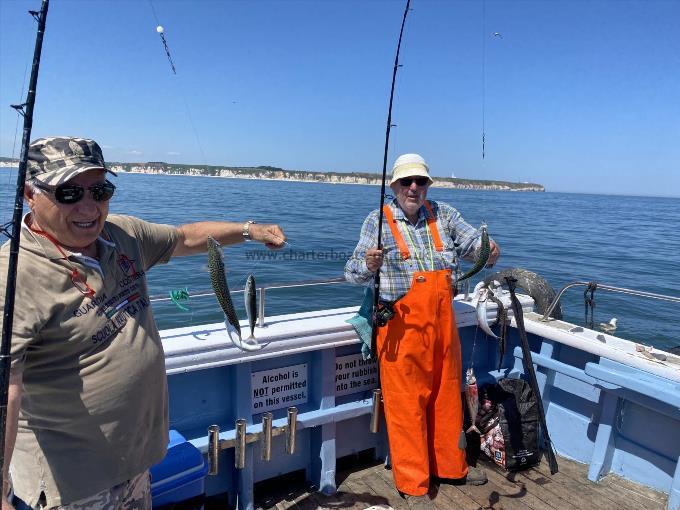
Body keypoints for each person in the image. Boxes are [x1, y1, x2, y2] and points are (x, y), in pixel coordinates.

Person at [0, 136, 287, 510]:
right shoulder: (12, 276)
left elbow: (185, 238)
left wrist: (251, 230)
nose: (89, 206)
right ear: (30, 194)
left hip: (135, 462)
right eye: (69, 193)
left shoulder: (121, 236)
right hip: (72, 484)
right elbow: (7, 389)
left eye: (101, 190)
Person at [344, 153, 500, 509]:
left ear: (428, 185)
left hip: (443, 327)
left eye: (421, 181)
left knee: (447, 398)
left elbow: (476, 247)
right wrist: (368, 264)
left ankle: (451, 467)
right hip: (400, 331)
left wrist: (489, 251)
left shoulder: (443, 214)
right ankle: (414, 486)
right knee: (406, 406)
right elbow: (352, 273)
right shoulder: (377, 221)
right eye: (406, 182)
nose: (414, 188)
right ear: (394, 186)